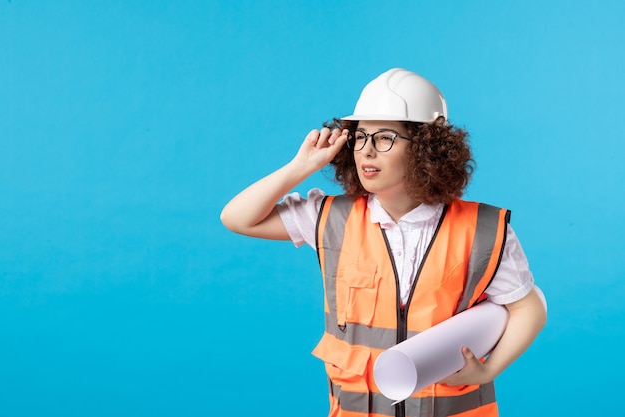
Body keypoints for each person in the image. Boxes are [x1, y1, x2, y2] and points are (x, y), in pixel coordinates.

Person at [220, 68, 546, 417]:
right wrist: (302, 166)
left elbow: (528, 308)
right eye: (360, 138)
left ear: (426, 149)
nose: (366, 151)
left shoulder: (483, 228)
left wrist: (489, 369)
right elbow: (237, 218)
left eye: (385, 138)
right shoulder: (330, 219)